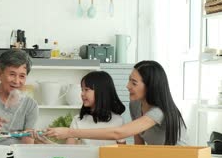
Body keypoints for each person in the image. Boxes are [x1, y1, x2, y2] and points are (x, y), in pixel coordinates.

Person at [37, 61, 188, 145]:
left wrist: (69, 132)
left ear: (150, 86)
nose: (127, 86)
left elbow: (119, 133)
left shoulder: (159, 112)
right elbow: (138, 146)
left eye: (133, 82)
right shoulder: (135, 105)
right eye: (129, 80)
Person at [57, 71, 126, 145]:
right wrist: (47, 143)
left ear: (101, 91)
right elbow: (69, 150)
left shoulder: (118, 120)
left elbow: (122, 152)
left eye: (86, 89)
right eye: (82, 90)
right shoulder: (78, 120)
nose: (82, 94)